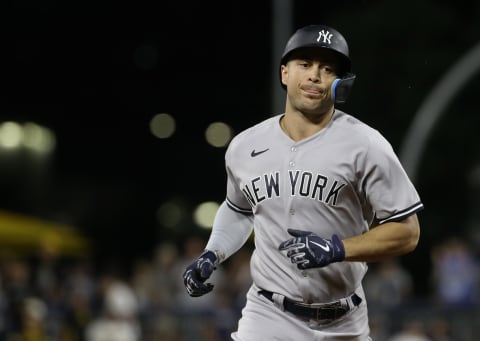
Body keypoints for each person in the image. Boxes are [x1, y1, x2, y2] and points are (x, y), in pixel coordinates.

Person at [182, 24, 423, 340]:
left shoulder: (367, 145)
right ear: (284, 73)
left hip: (344, 320)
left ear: (340, 83)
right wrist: (213, 252)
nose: (315, 75)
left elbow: (407, 232)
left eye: (327, 69)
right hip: (268, 315)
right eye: (305, 64)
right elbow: (239, 210)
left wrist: (336, 248)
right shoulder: (244, 146)